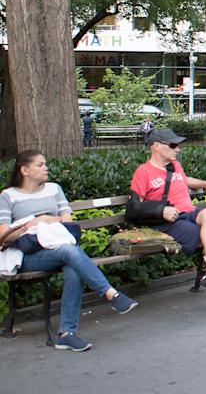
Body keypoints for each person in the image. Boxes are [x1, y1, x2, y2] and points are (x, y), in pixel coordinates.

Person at [0, 150, 138, 351]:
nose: (45, 168)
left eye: (45, 163)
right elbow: (3, 236)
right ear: (25, 170)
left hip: (58, 247)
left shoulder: (55, 189)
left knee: (71, 261)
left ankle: (66, 334)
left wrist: (50, 221)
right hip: (27, 256)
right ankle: (110, 294)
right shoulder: (8, 196)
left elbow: (67, 223)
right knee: (69, 251)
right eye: (40, 165)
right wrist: (32, 223)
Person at [129, 128, 206, 313]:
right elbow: (133, 208)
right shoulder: (143, 172)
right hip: (168, 222)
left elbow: (184, 180)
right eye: (173, 145)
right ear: (156, 146)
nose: (178, 149)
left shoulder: (174, 166)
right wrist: (161, 211)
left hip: (188, 214)